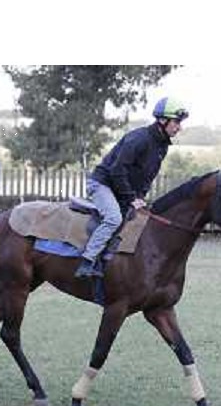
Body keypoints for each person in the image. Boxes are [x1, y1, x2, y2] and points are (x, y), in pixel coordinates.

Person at [75, 97, 189, 278]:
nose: (179, 127)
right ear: (162, 120)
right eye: (176, 122)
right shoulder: (139, 139)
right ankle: (87, 261)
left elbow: (147, 177)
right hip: (103, 184)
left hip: (121, 189)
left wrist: (140, 197)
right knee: (113, 218)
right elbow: (117, 171)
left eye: (179, 122)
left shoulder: (162, 146)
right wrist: (131, 198)